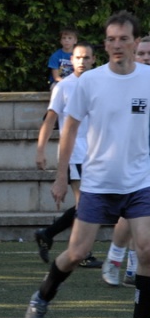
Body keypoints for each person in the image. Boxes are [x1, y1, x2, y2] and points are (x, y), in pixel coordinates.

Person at [25, 10, 150, 318]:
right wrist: (61, 176)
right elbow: (68, 130)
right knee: (76, 254)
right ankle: (42, 297)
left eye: (124, 39)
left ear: (136, 42)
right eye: (111, 39)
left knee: (147, 250)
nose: (117, 45)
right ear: (105, 45)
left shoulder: (148, 80)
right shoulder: (89, 82)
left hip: (140, 182)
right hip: (98, 182)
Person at [33, 42, 102, 268]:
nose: (82, 61)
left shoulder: (100, 83)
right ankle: (83, 252)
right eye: (78, 57)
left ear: (94, 60)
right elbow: (50, 120)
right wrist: (40, 151)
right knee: (85, 203)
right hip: (75, 153)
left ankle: (48, 233)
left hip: (97, 153)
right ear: (71, 60)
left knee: (92, 203)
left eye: (86, 57)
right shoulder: (63, 87)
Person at [103, 35, 150, 287]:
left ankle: (132, 265)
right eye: (142, 53)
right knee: (133, 211)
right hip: (131, 158)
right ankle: (116, 257)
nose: (146, 58)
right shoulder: (124, 83)